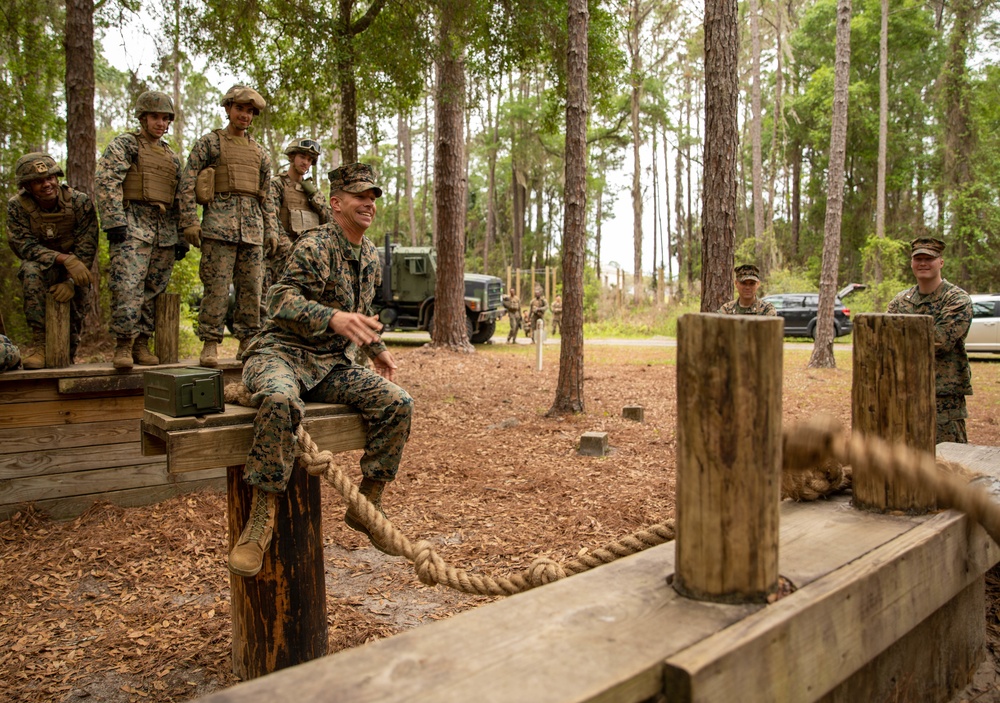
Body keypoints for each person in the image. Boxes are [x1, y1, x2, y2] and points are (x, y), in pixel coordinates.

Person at [232, 163, 414, 577]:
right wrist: (331, 317)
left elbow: (362, 315)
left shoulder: (369, 255)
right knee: (279, 400)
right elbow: (279, 299)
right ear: (336, 203)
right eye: (359, 196)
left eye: (372, 197)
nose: (368, 203)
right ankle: (261, 516)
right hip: (282, 353)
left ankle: (367, 504)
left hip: (331, 365)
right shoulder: (315, 245)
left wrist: (378, 348)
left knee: (398, 403)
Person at [177, 84, 279, 367]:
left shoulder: (260, 153)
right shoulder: (209, 143)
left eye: (249, 112)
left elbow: (267, 196)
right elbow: (187, 182)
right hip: (218, 226)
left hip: (253, 230)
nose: (244, 116)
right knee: (217, 288)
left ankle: (247, 342)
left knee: (251, 290)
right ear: (228, 109)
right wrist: (189, 221)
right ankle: (210, 343)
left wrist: (271, 230)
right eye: (239, 109)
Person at [96, 90, 185, 369]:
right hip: (132, 223)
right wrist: (114, 221)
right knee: (127, 286)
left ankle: (141, 343)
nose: (161, 123)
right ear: (143, 117)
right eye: (155, 117)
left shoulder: (171, 156)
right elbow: (107, 179)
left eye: (165, 118)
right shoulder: (127, 144)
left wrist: (181, 235)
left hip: (163, 230)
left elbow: (179, 197)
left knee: (154, 289)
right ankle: (123, 344)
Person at [6, 153, 98, 369]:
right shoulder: (17, 207)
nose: (47, 184)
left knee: (71, 333)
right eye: (39, 181)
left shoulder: (79, 202)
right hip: (42, 267)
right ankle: (40, 344)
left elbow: (87, 245)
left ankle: (67, 356)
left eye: (50, 178)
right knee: (29, 270)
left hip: (74, 271)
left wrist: (71, 282)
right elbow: (24, 246)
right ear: (27, 186)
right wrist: (62, 259)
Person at [887, 237, 973, 444]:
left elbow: (940, 341)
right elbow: (884, 341)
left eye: (929, 258)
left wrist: (901, 339)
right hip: (903, 393)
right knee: (904, 462)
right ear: (911, 263)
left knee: (949, 464)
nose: (923, 263)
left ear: (941, 262)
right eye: (918, 259)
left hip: (942, 398)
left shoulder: (956, 299)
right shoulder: (900, 301)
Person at [266, 138, 330, 302]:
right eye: (302, 157)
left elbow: (328, 223)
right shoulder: (277, 185)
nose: (306, 163)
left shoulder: (313, 191)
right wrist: (291, 252)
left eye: (310, 160)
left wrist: (314, 197)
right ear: (292, 157)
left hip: (310, 260)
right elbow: (271, 219)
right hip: (282, 258)